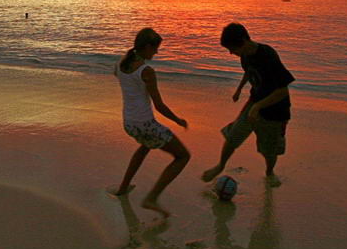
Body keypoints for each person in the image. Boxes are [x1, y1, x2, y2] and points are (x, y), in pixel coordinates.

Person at [202, 23, 295, 187]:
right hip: (254, 102)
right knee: (233, 135)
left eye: (233, 49)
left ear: (244, 41)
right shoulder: (245, 56)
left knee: (269, 149)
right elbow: (249, 71)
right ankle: (220, 165)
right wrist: (239, 89)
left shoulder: (268, 55)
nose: (232, 53)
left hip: (275, 110)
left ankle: (269, 172)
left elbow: (282, 91)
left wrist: (257, 107)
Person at [113, 28, 190, 217]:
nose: (156, 53)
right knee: (183, 156)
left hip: (129, 123)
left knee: (145, 146)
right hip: (144, 124)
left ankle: (123, 188)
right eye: (155, 49)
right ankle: (152, 198)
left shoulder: (122, 63)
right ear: (147, 47)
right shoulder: (146, 71)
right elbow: (159, 106)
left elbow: (123, 80)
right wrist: (178, 120)